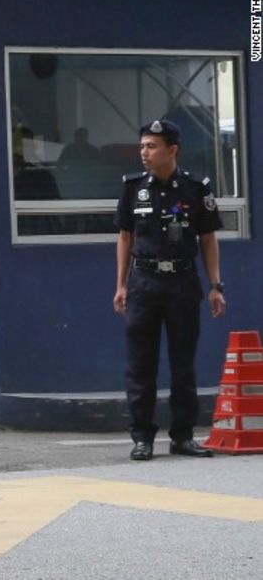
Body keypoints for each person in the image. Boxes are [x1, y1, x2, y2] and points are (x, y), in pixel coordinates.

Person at [113, 119, 226, 461]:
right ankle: (142, 437)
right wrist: (120, 284)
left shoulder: (195, 188)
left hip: (182, 283)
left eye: (151, 146)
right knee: (141, 364)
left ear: (172, 150)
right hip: (144, 284)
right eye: (142, 146)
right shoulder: (133, 187)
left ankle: (183, 436)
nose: (144, 153)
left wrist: (215, 286)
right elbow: (124, 237)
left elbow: (207, 239)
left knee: (183, 363)